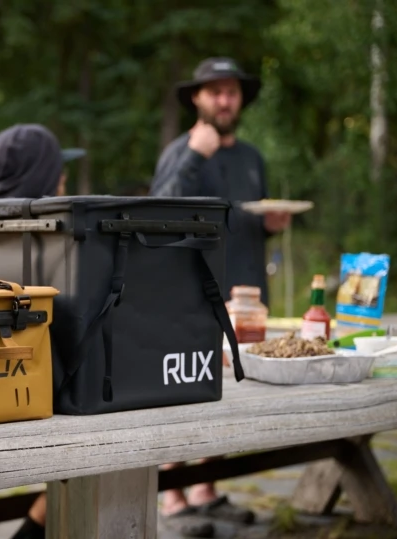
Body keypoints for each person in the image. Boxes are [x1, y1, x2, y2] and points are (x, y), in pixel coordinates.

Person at [150, 57, 291, 538]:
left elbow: (246, 220)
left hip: (248, 298)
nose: (225, 100)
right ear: (197, 98)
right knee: (182, 393)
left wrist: (270, 225)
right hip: (190, 296)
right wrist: (195, 155)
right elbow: (158, 211)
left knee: (230, 396)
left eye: (231, 92)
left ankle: (206, 489)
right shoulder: (181, 151)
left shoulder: (252, 158)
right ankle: (172, 496)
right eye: (215, 92)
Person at [0, 123, 85, 539]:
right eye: (60, 172)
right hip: (35, 395)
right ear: (45, 180)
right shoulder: (54, 246)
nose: (65, 180)